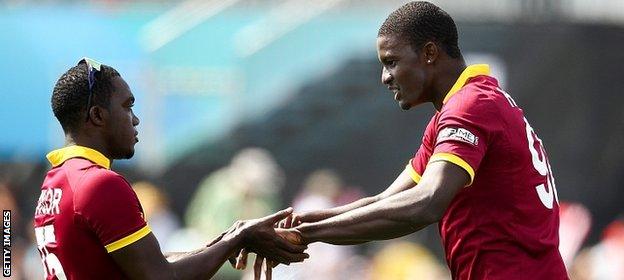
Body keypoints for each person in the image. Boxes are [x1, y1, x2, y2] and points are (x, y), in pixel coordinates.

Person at [274, 2, 569, 279]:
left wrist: (304, 236)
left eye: (391, 62)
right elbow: (383, 202)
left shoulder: (471, 105)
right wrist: (294, 226)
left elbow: (427, 202)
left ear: (429, 53)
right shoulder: (461, 108)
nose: (385, 78)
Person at [33, 58, 308, 280]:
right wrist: (238, 238)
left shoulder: (55, 181)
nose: (136, 119)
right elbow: (162, 277)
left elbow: (147, 264)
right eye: (127, 107)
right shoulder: (100, 183)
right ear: (97, 116)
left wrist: (228, 241)